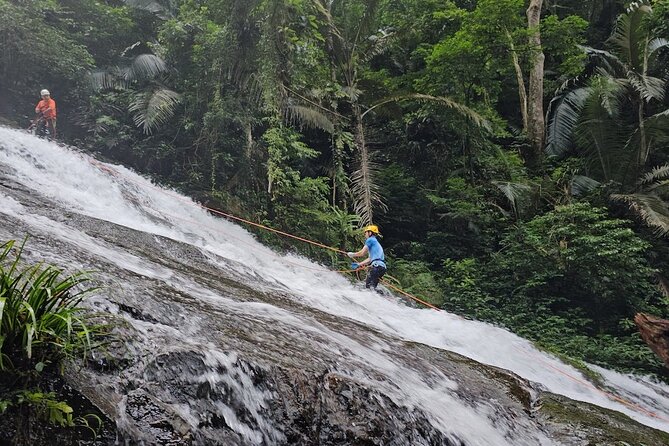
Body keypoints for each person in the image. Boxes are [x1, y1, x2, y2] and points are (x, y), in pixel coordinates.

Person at [347, 225, 387, 293]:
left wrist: (352, 255)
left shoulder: (370, 240)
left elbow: (362, 253)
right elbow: (370, 259)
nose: (365, 234)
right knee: (371, 287)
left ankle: (383, 295)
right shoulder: (376, 243)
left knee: (369, 288)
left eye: (366, 232)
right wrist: (359, 264)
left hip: (376, 267)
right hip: (381, 268)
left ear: (370, 233)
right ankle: (382, 295)